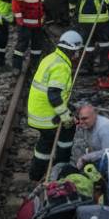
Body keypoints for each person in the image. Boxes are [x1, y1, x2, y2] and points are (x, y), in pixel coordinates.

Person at [26, 30, 84, 181]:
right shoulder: (62, 67)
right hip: (47, 117)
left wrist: (69, 107)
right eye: (77, 52)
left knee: (45, 142)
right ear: (72, 50)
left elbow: (55, 93)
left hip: (37, 112)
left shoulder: (51, 58)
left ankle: (35, 173)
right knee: (67, 131)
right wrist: (66, 117)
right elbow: (54, 95)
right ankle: (61, 167)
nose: (77, 55)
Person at [12, 0, 48, 72]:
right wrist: (19, 20)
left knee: (36, 47)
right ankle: (16, 67)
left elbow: (40, 3)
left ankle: (34, 67)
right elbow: (16, 3)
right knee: (21, 45)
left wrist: (42, 17)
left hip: (37, 22)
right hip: (25, 22)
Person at [75, 102, 109, 170]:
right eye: (80, 119)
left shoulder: (104, 128)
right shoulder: (88, 125)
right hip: (103, 156)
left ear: (94, 115)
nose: (81, 122)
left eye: (84, 119)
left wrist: (86, 157)